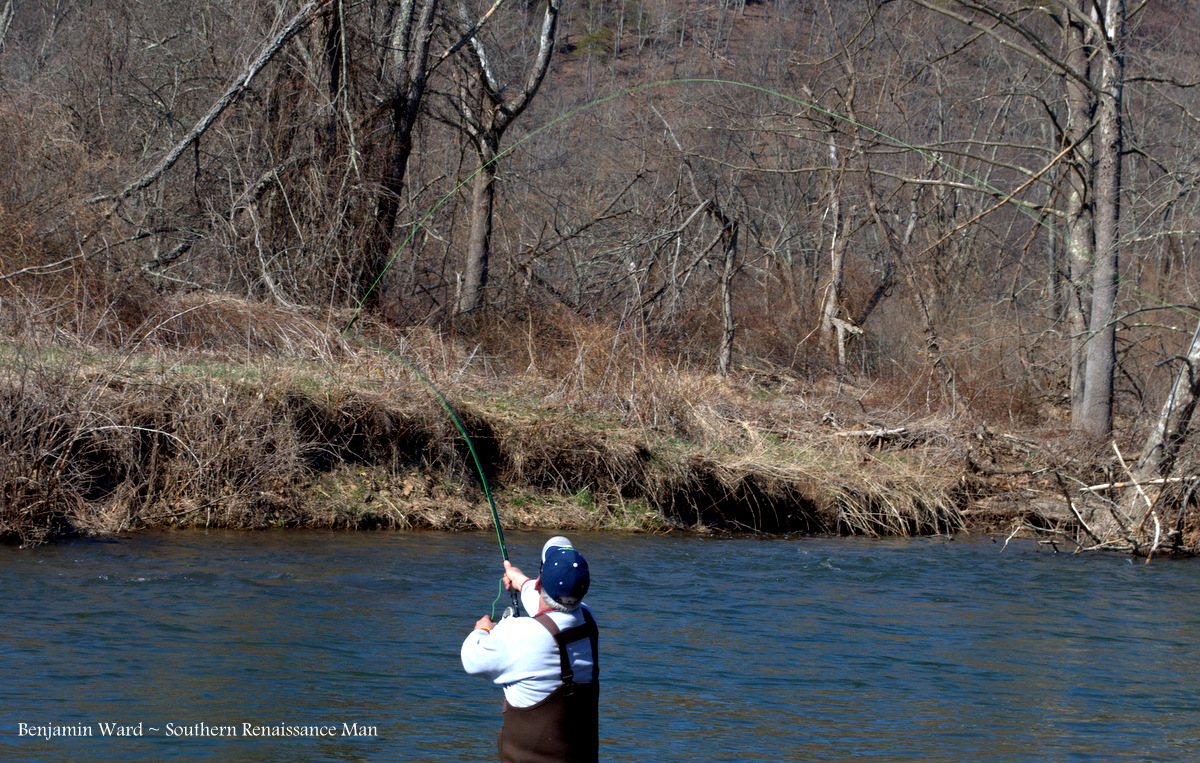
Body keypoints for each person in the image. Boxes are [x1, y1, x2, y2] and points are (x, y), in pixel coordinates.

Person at [461, 536, 599, 763]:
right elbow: (550, 608)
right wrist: (519, 579)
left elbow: (470, 659)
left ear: (539, 583)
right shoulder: (588, 620)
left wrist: (483, 630)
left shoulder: (517, 633)